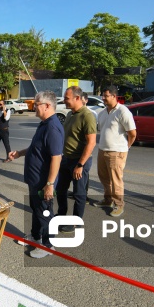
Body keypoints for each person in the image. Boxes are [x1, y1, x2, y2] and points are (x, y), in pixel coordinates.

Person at [8, 91, 64, 258]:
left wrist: (49, 184)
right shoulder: (44, 124)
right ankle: (35, 236)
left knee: (45, 212)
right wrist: (20, 153)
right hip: (35, 179)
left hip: (43, 181)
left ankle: (48, 245)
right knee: (37, 210)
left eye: (36, 104)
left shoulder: (53, 127)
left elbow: (56, 157)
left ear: (47, 106)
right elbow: (36, 149)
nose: (33, 108)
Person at [55, 86, 97, 233]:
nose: (64, 100)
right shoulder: (70, 114)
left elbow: (91, 142)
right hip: (66, 159)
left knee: (79, 194)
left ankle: (76, 222)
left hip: (79, 161)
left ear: (77, 98)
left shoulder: (87, 116)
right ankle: (61, 216)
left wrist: (80, 165)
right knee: (60, 190)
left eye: (67, 98)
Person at [95, 85, 137, 217]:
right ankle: (108, 200)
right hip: (102, 150)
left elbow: (132, 133)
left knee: (116, 180)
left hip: (117, 152)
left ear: (114, 96)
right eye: (103, 95)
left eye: (106, 96)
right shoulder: (102, 113)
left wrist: (126, 147)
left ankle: (119, 205)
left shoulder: (123, 112)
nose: (103, 98)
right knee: (104, 178)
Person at [0, 99, 12, 163]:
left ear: (4, 104)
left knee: (6, 145)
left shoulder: (8, 111)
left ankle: (9, 157)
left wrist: (4, 110)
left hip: (4, 131)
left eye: (0, 104)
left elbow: (6, 118)